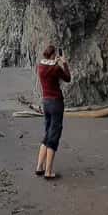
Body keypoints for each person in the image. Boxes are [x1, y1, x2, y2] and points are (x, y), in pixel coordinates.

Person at [35, 44, 71, 180]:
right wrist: (64, 63)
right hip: (56, 103)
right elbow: (68, 78)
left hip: (46, 102)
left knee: (47, 133)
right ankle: (48, 172)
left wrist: (55, 61)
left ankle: (39, 167)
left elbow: (49, 68)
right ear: (53, 55)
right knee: (54, 136)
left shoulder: (41, 66)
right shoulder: (55, 68)